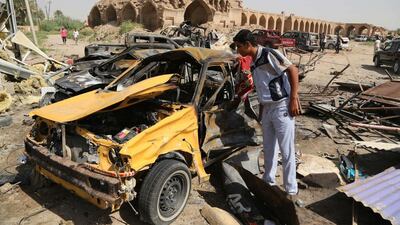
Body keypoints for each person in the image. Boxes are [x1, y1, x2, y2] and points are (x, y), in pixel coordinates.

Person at [233, 29, 301, 203]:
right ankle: (268, 183)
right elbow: (262, 87)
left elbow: (292, 70)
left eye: (239, 46)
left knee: (286, 151)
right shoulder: (254, 63)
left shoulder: (269, 54)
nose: (238, 50)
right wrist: (262, 114)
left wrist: (293, 98)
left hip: (281, 107)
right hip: (268, 110)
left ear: (248, 45)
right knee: (269, 149)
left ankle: (291, 190)